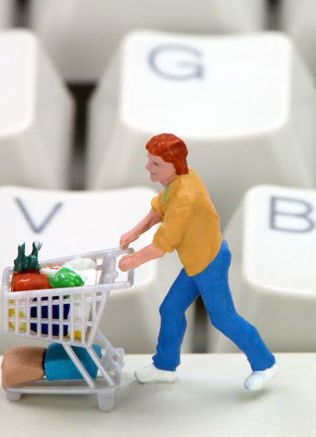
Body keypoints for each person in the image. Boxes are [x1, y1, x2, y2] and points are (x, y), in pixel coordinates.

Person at [117, 134, 278, 391]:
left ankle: (265, 364)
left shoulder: (185, 197)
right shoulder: (178, 180)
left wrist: (132, 261)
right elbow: (159, 209)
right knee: (170, 309)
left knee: (224, 318)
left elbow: (161, 247)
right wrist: (135, 232)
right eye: (149, 161)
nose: (148, 167)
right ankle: (164, 367)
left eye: (156, 163)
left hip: (209, 262)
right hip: (196, 261)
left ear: (173, 164)